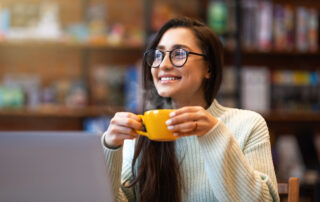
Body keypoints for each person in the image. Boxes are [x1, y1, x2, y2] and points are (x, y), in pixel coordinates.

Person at [102, 17, 279, 202]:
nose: (163, 65)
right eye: (158, 55)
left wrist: (214, 134)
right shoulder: (140, 133)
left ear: (208, 67)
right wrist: (111, 147)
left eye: (179, 53)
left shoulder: (247, 125)